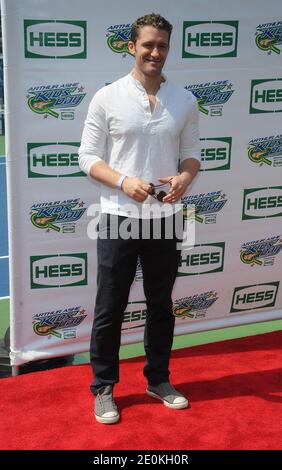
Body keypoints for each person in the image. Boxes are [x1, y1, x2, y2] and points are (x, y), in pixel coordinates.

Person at [78, 13, 201, 424]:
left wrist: (185, 176)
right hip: (116, 215)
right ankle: (103, 388)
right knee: (109, 306)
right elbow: (88, 157)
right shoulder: (107, 97)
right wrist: (123, 181)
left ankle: (158, 379)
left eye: (162, 45)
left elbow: (192, 153)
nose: (155, 52)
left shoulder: (185, 100)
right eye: (148, 44)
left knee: (160, 305)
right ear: (131, 47)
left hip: (165, 218)